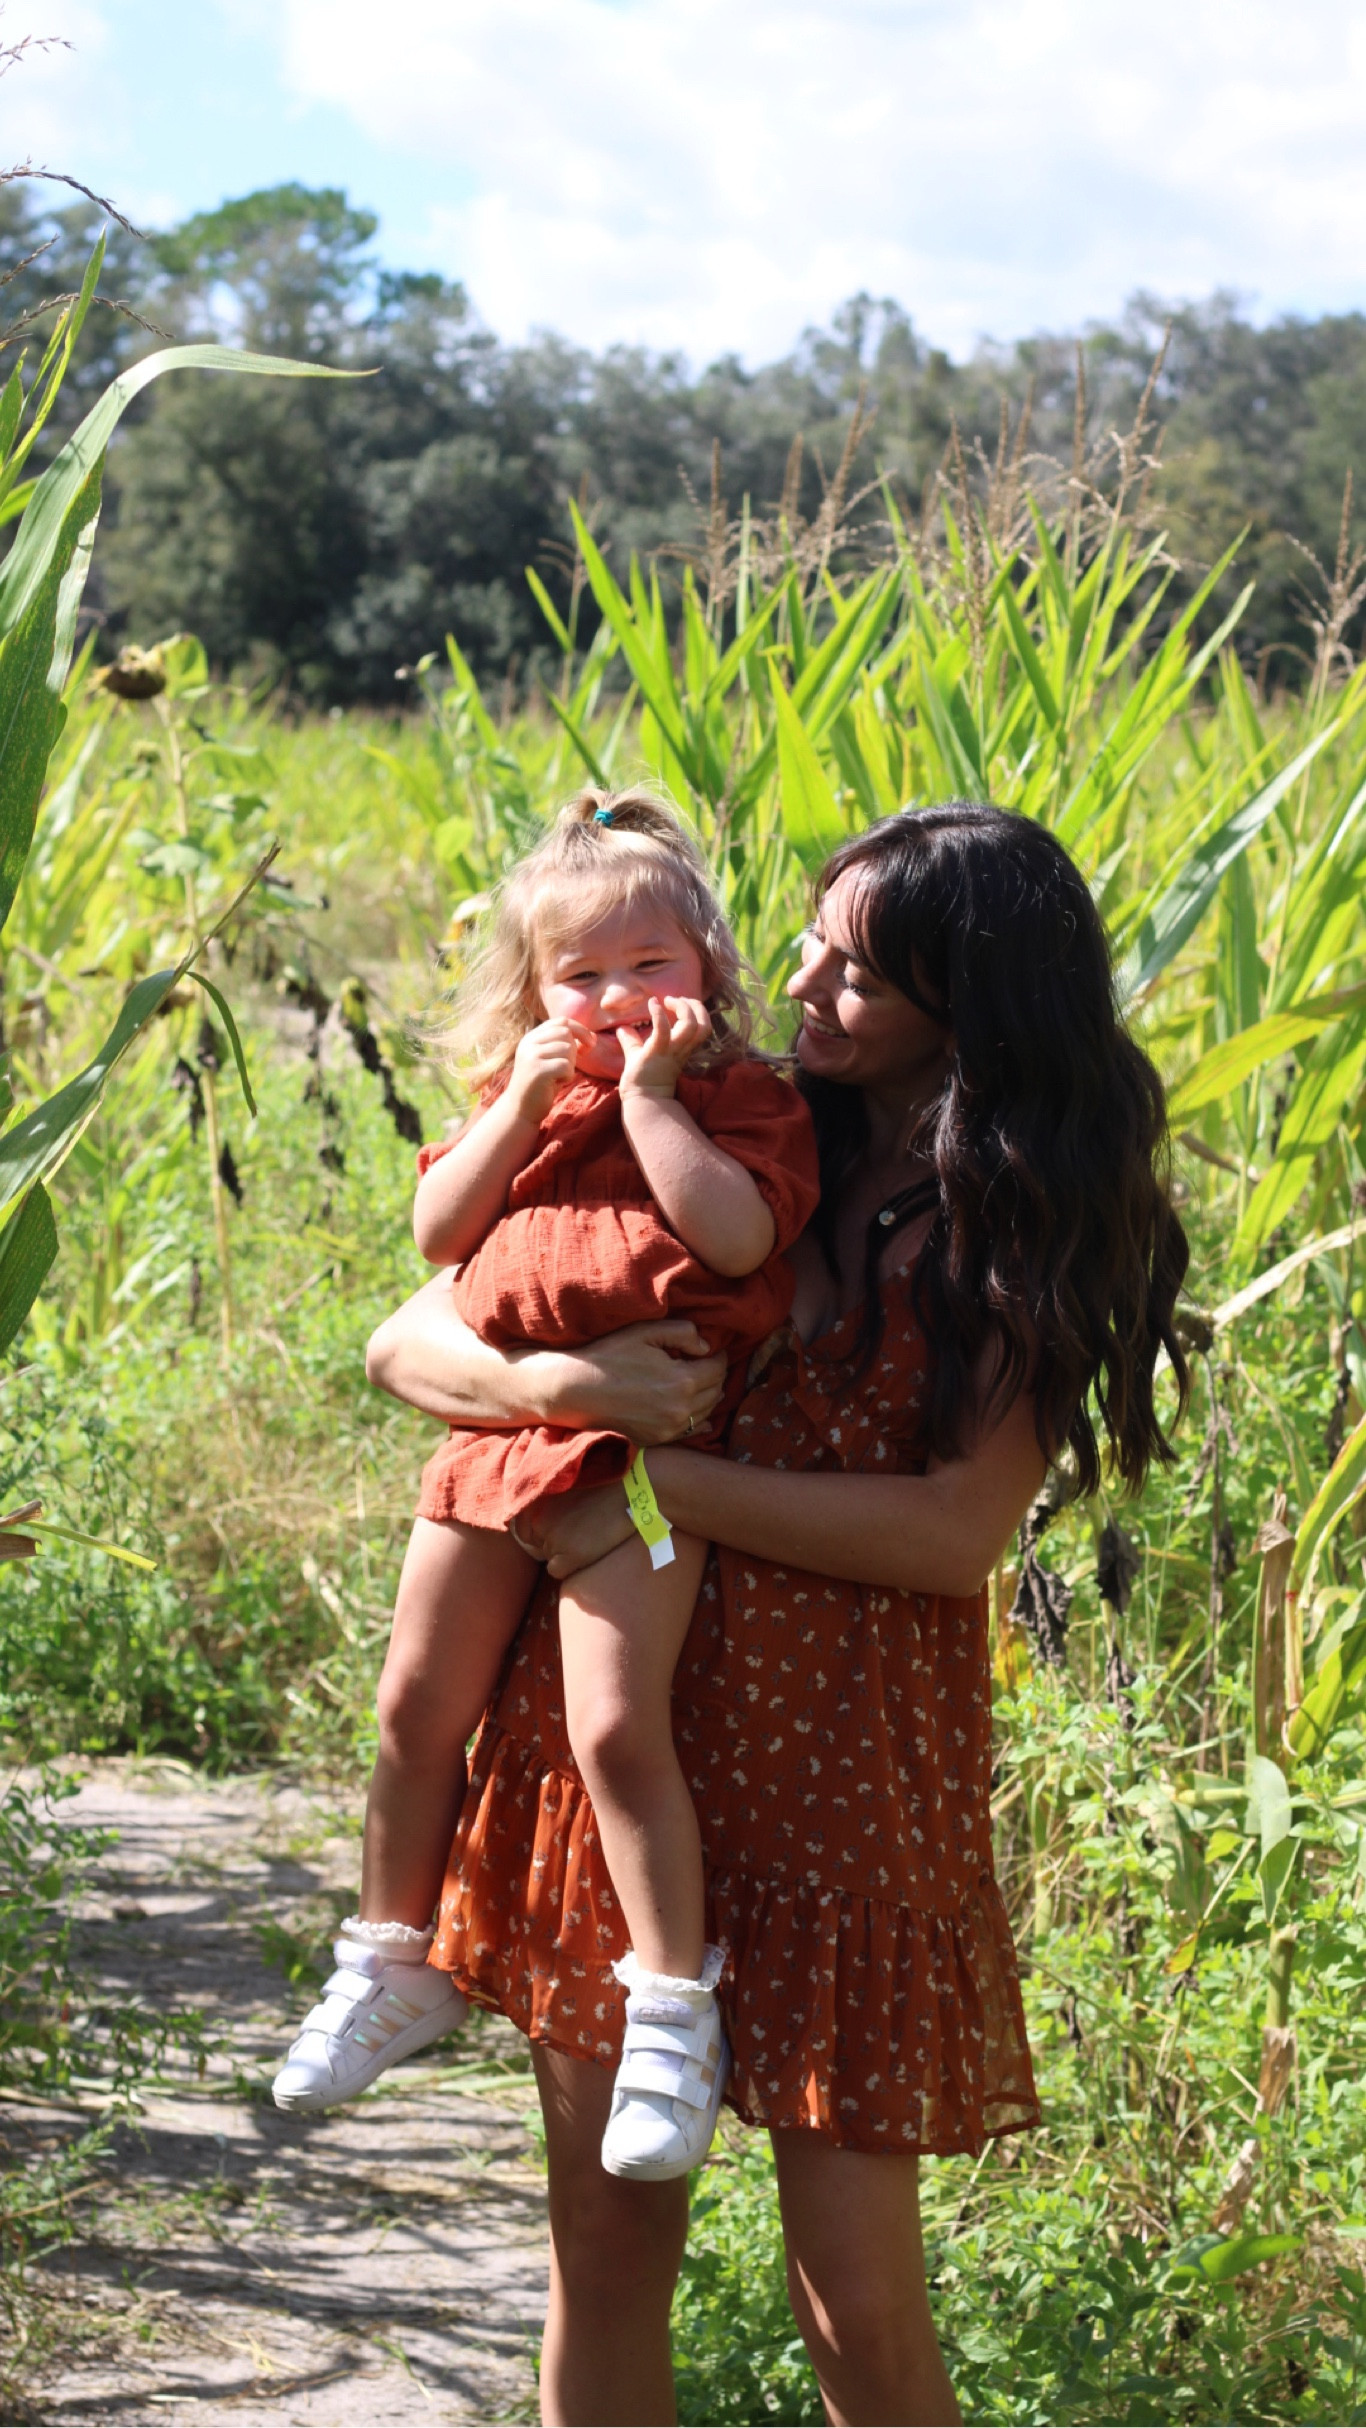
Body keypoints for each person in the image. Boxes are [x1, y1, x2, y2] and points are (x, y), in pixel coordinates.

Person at [368, 800, 1190, 2427]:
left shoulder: (1018, 1219)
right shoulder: (724, 1117)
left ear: (970, 1002)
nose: (801, 981)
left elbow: (952, 1536)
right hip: (614, 1736)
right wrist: (558, 1385)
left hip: (845, 1775)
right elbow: (403, 1344)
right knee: (601, 2251)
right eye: (807, 939)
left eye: (857, 971)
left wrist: (650, 1477)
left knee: (859, 2311)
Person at [273, 790, 819, 2186]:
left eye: (652, 967)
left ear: (707, 969)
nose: (618, 999)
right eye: (579, 976)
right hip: (493, 1440)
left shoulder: (738, 1100)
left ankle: (669, 2015)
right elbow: (438, 1233)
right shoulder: (517, 1104)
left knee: (618, 1730)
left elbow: (738, 1231)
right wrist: (521, 1099)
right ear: (529, 993)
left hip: (645, 1463)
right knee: (411, 1705)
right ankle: (394, 1961)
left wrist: (646, 1102)